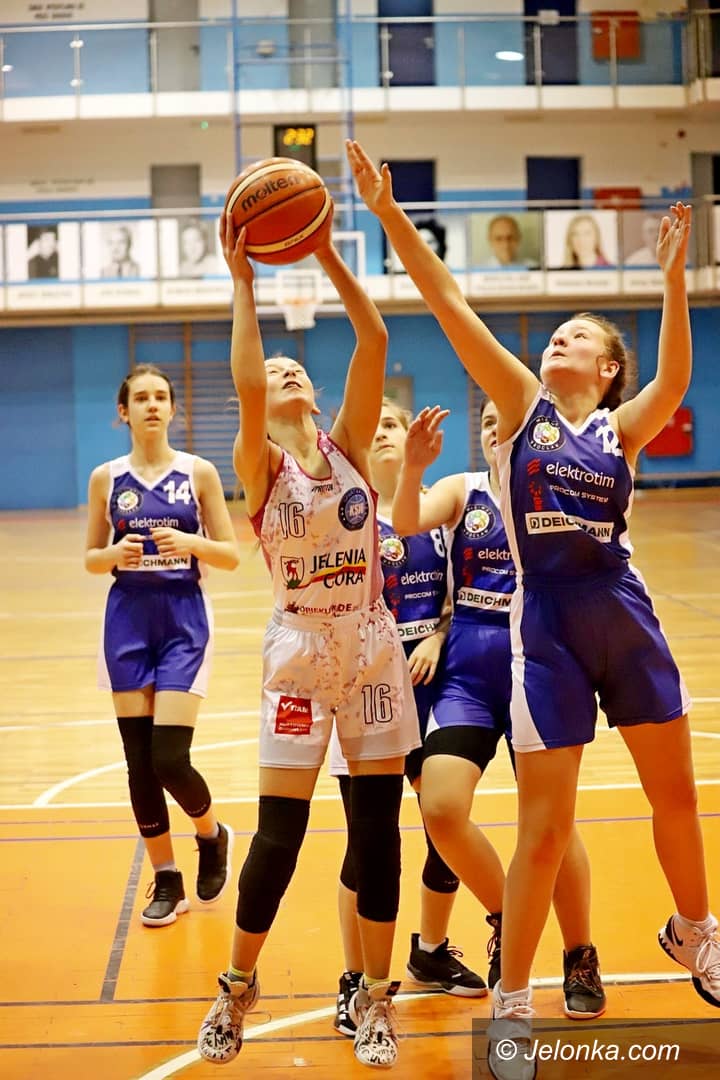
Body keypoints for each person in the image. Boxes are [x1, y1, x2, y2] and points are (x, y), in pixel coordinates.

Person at [346, 139, 718, 1078]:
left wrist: (674, 280)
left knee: (675, 795)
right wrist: (389, 216)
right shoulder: (520, 407)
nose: (560, 340)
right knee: (545, 830)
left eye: (579, 336)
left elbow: (675, 382)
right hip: (545, 625)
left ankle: (696, 930)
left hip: (622, 612)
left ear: (609, 367)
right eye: (556, 333)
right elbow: (449, 301)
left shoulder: (620, 429)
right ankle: (514, 1000)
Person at [197, 209, 421, 1070]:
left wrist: (325, 249)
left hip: (370, 647)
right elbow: (248, 380)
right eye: (274, 369)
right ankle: (236, 988)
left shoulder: (352, 447)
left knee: (378, 836)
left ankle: (375, 999)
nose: (285, 371)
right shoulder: (260, 466)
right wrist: (244, 281)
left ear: (320, 397)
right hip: (297, 651)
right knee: (278, 837)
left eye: (298, 368)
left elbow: (373, 336)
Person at [391, 398, 606, 1023]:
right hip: (470, 672)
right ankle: (512, 920)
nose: (496, 430)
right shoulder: (465, 490)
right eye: (487, 422)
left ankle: (579, 954)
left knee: (553, 824)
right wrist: (413, 467)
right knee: (440, 807)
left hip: (541, 666)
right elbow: (405, 519)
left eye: (506, 421)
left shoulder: (561, 495)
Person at [328, 398, 486, 1043]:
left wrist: (440, 636)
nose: (384, 434)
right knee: (367, 843)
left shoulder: (440, 512)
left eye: (391, 423)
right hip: (365, 689)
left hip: (433, 682)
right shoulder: (344, 512)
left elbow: (465, 598)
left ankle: (430, 949)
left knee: (445, 823)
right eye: (374, 427)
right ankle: (354, 977)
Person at [84, 364, 240, 928]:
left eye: (160, 397)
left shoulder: (198, 472)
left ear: (173, 409)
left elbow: (230, 554)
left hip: (182, 620)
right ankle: (167, 877)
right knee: (139, 764)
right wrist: (113, 555)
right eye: (140, 398)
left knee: (168, 757)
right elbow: (91, 557)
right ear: (123, 412)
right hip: (127, 619)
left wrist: (190, 541)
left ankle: (211, 833)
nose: (151, 405)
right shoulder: (106, 478)